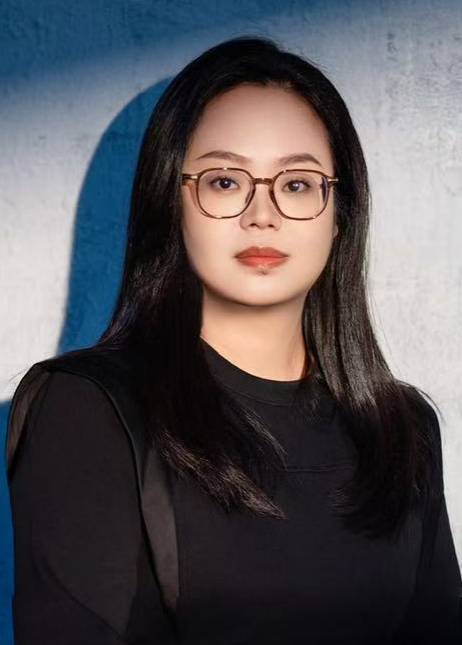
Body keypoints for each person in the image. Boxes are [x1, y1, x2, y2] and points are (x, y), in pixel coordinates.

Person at [6, 35, 462, 644]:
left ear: (340, 213)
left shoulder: (401, 428)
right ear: (171, 202)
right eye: (225, 181)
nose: (261, 214)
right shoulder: (90, 408)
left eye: (296, 184)